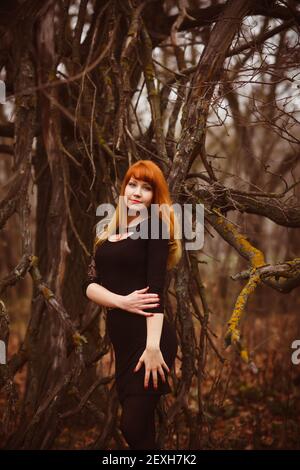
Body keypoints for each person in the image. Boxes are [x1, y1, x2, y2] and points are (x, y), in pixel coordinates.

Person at [82, 160, 182, 450]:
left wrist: (153, 348)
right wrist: (121, 302)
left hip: (149, 341)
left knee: (133, 427)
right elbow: (89, 286)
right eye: (132, 184)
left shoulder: (155, 228)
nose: (137, 192)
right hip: (124, 345)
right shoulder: (107, 234)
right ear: (124, 188)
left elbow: (156, 293)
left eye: (146, 187)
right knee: (141, 432)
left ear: (155, 195)